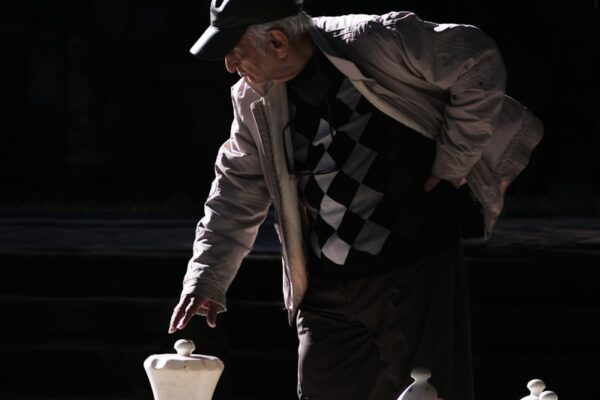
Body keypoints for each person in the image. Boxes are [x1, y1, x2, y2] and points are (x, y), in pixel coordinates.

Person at [168, 1, 543, 399]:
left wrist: (455, 159)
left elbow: (477, 61)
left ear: (277, 41)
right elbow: (235, 188)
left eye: (235, 51)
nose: (229, 65)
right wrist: (207, 277)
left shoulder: (370, 40)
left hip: (413, 268)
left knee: (430, 391)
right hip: (325, 286)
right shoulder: (253, 98)